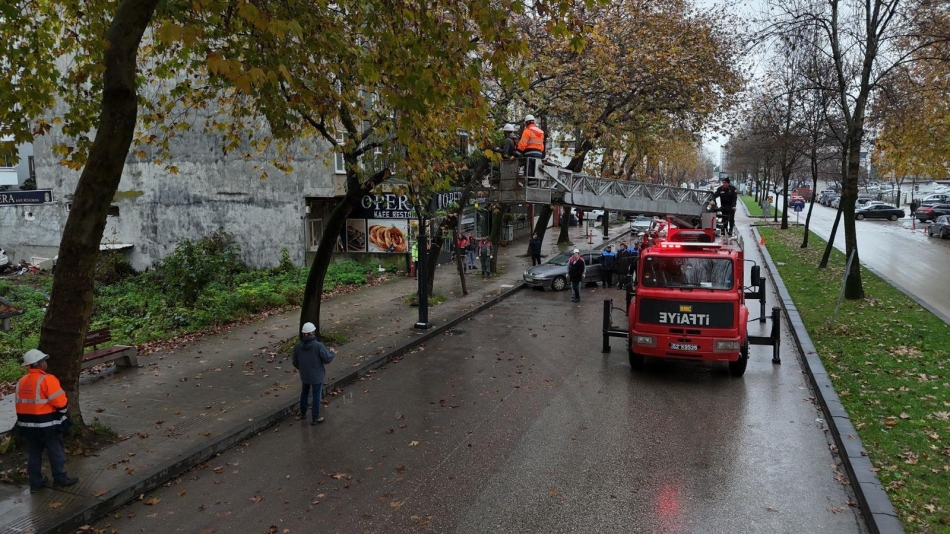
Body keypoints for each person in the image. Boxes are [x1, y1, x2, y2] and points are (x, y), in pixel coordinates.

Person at [14, 349, 79, 493]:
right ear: (39, 364)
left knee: (34, 454)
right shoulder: (47, 379)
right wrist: (62, 413)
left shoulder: (21, 382)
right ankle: (60, 478)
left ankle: (35, 483)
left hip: (27, 426)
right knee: (56, 451)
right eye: (44, 361)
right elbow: (60, 403)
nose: (46, 363)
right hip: (48, 425)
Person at [293, 322, 335, 425]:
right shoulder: (318, 345)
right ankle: (315, 417)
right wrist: (332, 353)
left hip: (305, 375)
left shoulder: (298, 346)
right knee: (316, 395)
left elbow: (295, 362)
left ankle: (303, 413)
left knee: (304, 393)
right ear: (312, 332)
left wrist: (302, 369)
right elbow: (327, 358)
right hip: (317, 375)